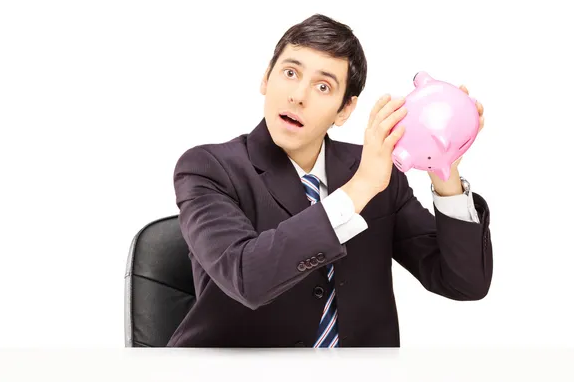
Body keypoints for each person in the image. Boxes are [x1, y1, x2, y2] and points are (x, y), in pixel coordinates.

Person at [166, 13, 492, 348]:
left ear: (344, 109)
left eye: (323, 87)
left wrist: (444, 168)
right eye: (290, 73)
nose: (298, 96)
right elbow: (248, 277)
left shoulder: (377, 173)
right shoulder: (207, 168)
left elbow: (464, 282)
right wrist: (359, 188)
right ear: (266, 78)